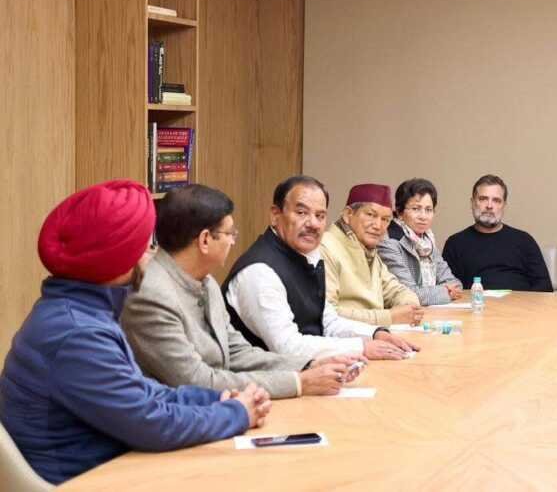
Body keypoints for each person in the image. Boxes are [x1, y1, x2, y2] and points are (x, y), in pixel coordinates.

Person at [0, 180, 269, 485]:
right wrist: (236, 414)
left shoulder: (78, 312)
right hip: (83, 481)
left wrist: (215, 400)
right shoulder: (79, 334)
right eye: (145, 245)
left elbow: (141, 393)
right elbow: (151, 424)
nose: (151, 254)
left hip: (107, 469)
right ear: (118, 256)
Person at [122, 185, 365, 399]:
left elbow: (237, 352)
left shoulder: (206, 282)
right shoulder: (151, 296)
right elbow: (197, 381)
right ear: (205, 240)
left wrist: (308, 365)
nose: (233, 242)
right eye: (230, 234)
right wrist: (298, 383)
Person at [223, 175, 417, 362]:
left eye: (320, 215)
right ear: (275, 215)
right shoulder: (259, 271)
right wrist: (361, 347)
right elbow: (288, 346)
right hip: (266, 380)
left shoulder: (307, 255)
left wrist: (375, 333)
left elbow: (327, 320)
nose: (313, 224)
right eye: (301, 213)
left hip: (309, 370)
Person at [320, 184, 424, 325]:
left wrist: (410, 307)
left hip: (376, 333)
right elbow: (326, 314)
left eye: (385, 219)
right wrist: (388, 317)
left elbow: (396, 290)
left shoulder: (368, 249)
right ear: (348, 214)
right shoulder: (325, 247)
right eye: (370, 215)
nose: (378, 226)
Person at [443, 175, 554, 292]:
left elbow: (545, 288)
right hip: (476, 302)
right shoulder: (455, 244)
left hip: (520, 303)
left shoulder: (524, 241)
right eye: (483, 199)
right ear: (472, 203)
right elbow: (449, 290)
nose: (489, 206)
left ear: (504, 206)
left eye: (496, 200)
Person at [378, 178, 463, 306]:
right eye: (416, 209)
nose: (423, 216)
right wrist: (445, 292)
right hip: (403, 314)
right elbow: (408, 294)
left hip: (430, 312)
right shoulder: (389, 242)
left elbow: (455, 284)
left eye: (428, 210)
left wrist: (440, 291)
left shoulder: (427, 240)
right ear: (400, 212)